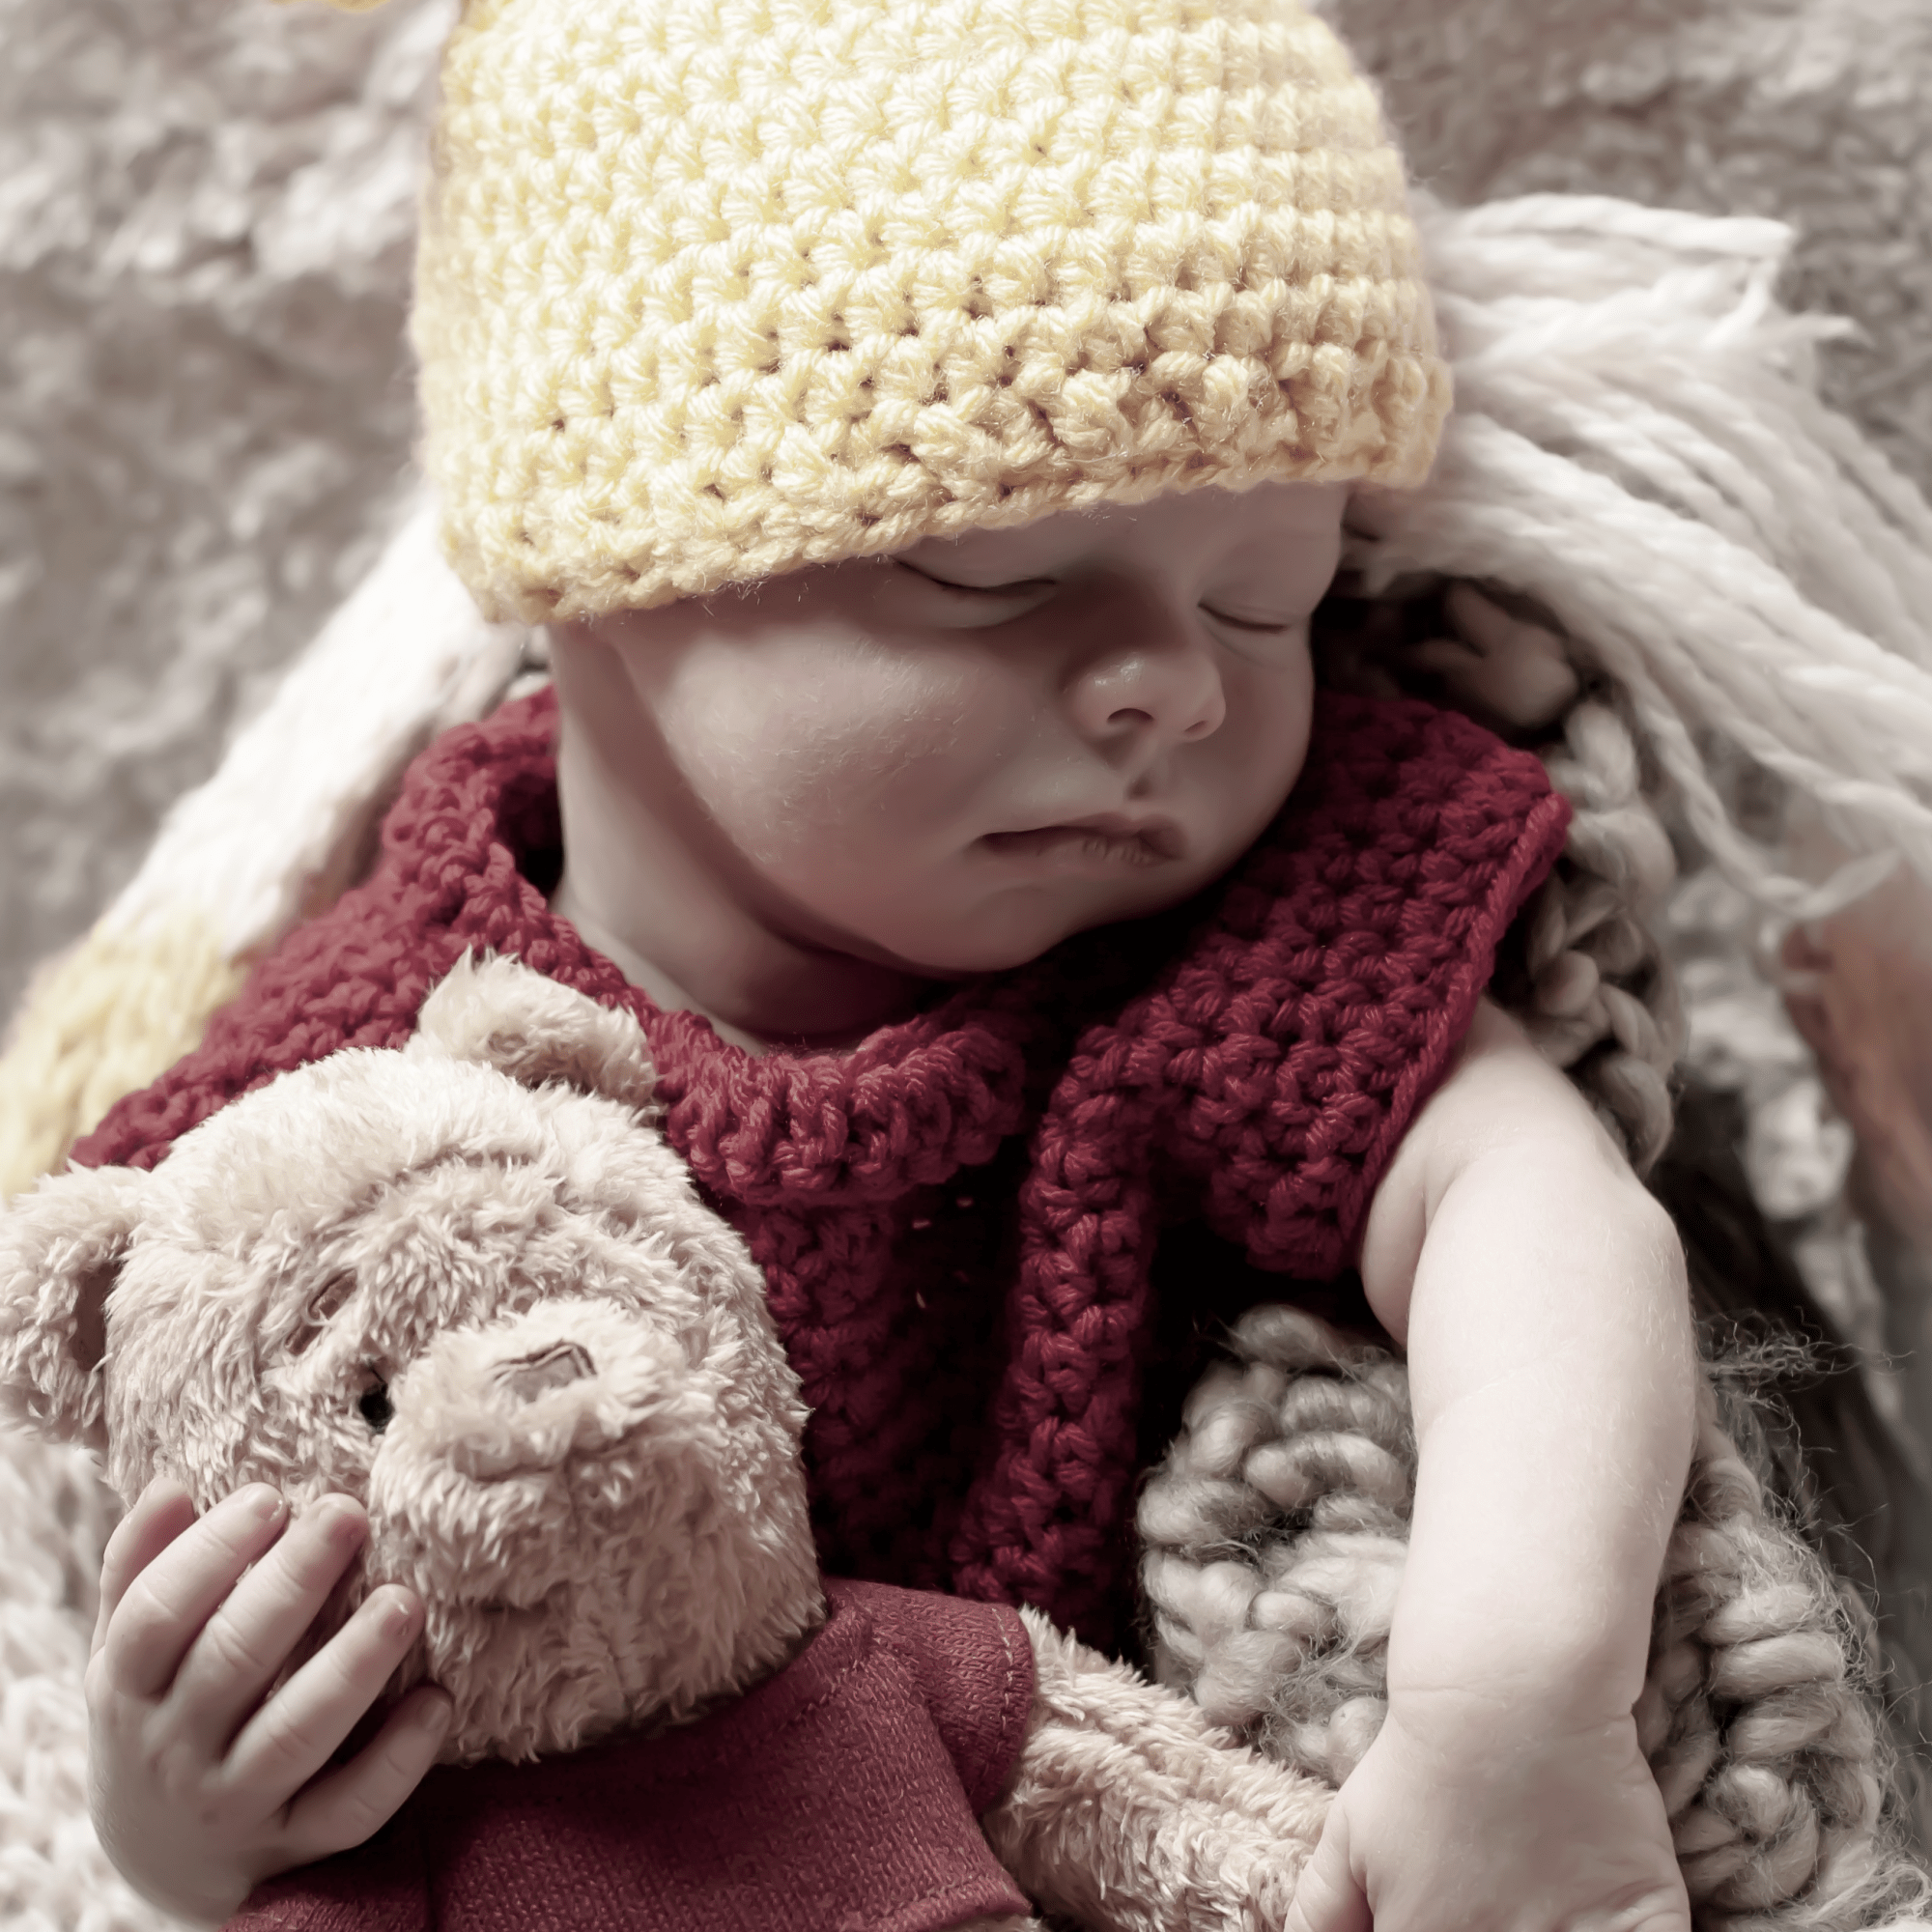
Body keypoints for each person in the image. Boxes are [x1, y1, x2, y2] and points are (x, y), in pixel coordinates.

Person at [69, 0, 1696, 1925]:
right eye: (999, 577)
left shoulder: (1241, 939)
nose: (1174, 684)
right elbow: (202, 1519)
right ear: (614, 569)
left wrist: (1511, 1702)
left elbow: (1537, 1208)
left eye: (1267, 599)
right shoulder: (360, 1108)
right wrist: (186, 1824)